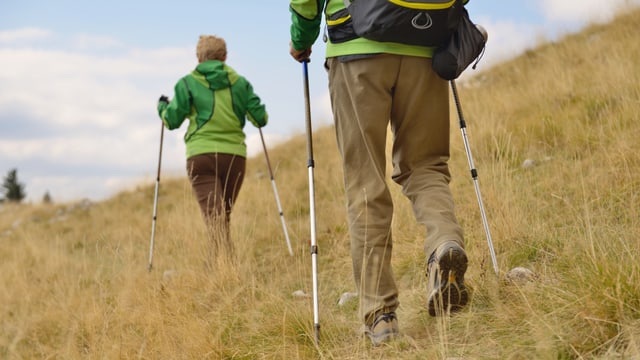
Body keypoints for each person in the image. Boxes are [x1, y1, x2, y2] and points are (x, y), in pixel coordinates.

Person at [289, 1, 469, 346]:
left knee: (365, 181)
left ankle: (380, 315)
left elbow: (305, 4)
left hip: (356, 46)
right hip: (423, 43)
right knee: (426, 165)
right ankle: (444, 242)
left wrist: (301, 38)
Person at [157, 35, 268, 264]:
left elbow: (171, 121)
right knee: (220, 216)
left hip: (201, 156)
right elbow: (260, 118)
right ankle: (220, 268)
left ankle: (223, 267)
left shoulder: (186, 83)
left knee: (215, 216)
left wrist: (162, 108)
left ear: (198, 58)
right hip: (235, 156)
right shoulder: (241, 83)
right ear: (224, 57)